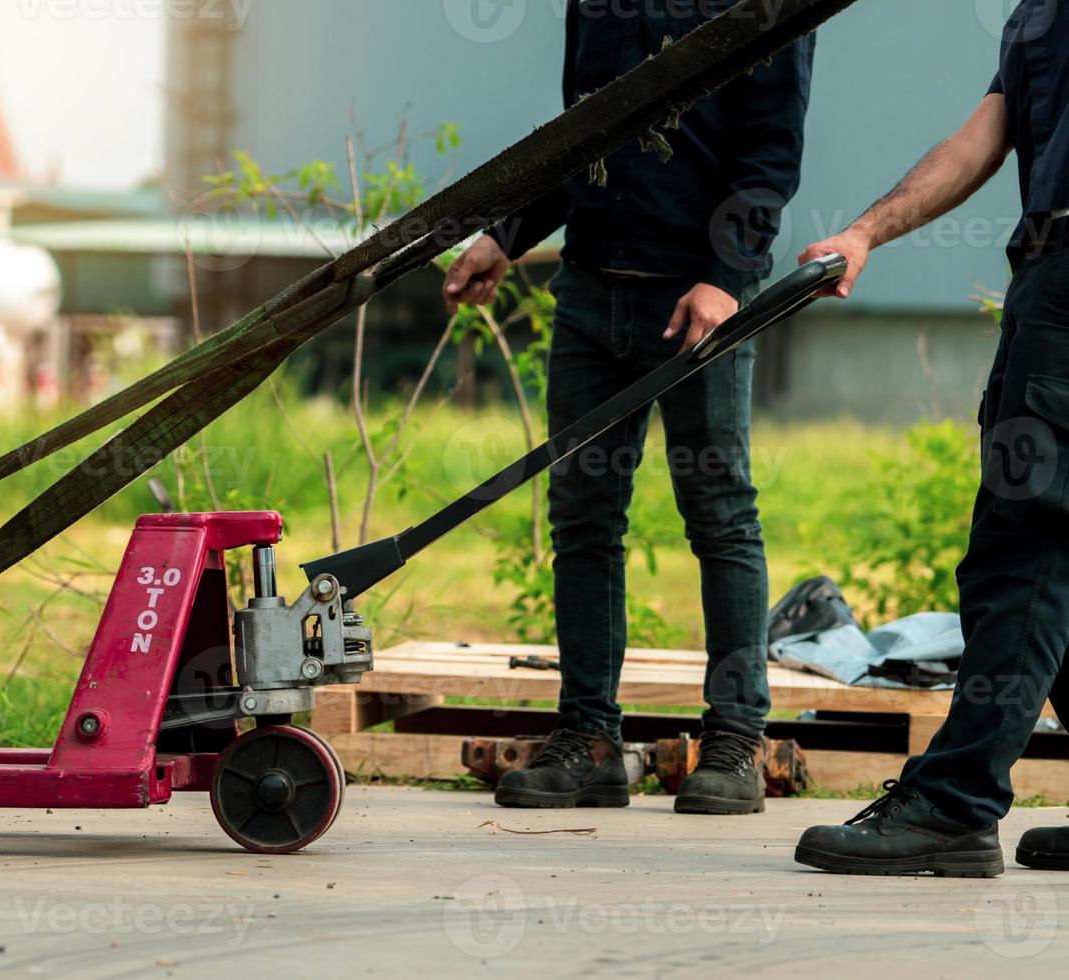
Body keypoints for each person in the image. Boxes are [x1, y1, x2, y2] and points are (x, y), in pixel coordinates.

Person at [443, 0, 815, 815]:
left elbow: (770, 153)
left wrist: (726, 274)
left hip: (701, 294)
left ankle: (734, 740)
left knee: (717, 513)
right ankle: (589, 740)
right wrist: (507, 233)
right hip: (591, 289)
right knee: (581, 516)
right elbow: (583, 132)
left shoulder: (768, 4)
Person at [796, 0, 1068, 877]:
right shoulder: (1039, 15)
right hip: (1048, 274)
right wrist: (865, 232)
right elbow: (979, 139)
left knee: (1025, 553)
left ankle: (955, 805)